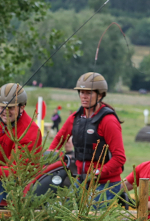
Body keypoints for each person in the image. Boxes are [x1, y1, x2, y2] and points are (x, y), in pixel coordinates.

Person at [49, 72, 125, 201]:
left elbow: (119, 158)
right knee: (64, 210)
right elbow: (58, 140)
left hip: (106, 183)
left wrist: (97, 173)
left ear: (100, 95)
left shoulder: (108, 121)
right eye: (81, 92)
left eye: (89, 93)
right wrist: (48, 158)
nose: (84, 96)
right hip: (82, 180)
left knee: (89, 216)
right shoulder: (75, 118)